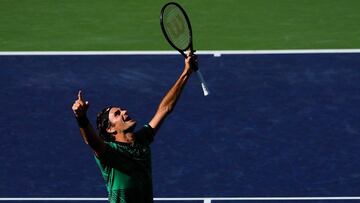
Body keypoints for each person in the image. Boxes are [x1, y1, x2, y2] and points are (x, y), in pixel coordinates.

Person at [71, 53, 198, 203]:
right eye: (117, 114)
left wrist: (186, 72)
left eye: (122, 110)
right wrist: (81, 117)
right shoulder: (109, 152)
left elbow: (165, 108)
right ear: (110, 129)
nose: (124, 112)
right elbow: (91, 141)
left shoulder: (141, 140)